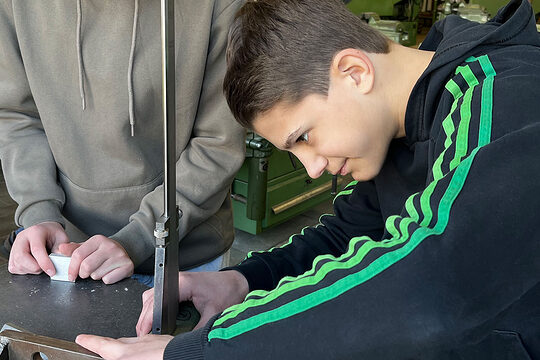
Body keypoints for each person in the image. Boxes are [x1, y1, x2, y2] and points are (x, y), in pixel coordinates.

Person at [76, 0, 540, 358]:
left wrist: (208, 351)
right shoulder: (402, 132)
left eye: (304, 137)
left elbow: (434, 285)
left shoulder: (503, 99)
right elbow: (346, 236)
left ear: (354, 72)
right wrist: (243, 281)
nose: (313, 167)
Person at [0, 0, 245, 284]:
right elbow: (17, 115)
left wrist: (138, 238)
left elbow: (218, 144)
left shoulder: (220, 5)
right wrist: (38, 210)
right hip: (64, 253)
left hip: (183, 255)